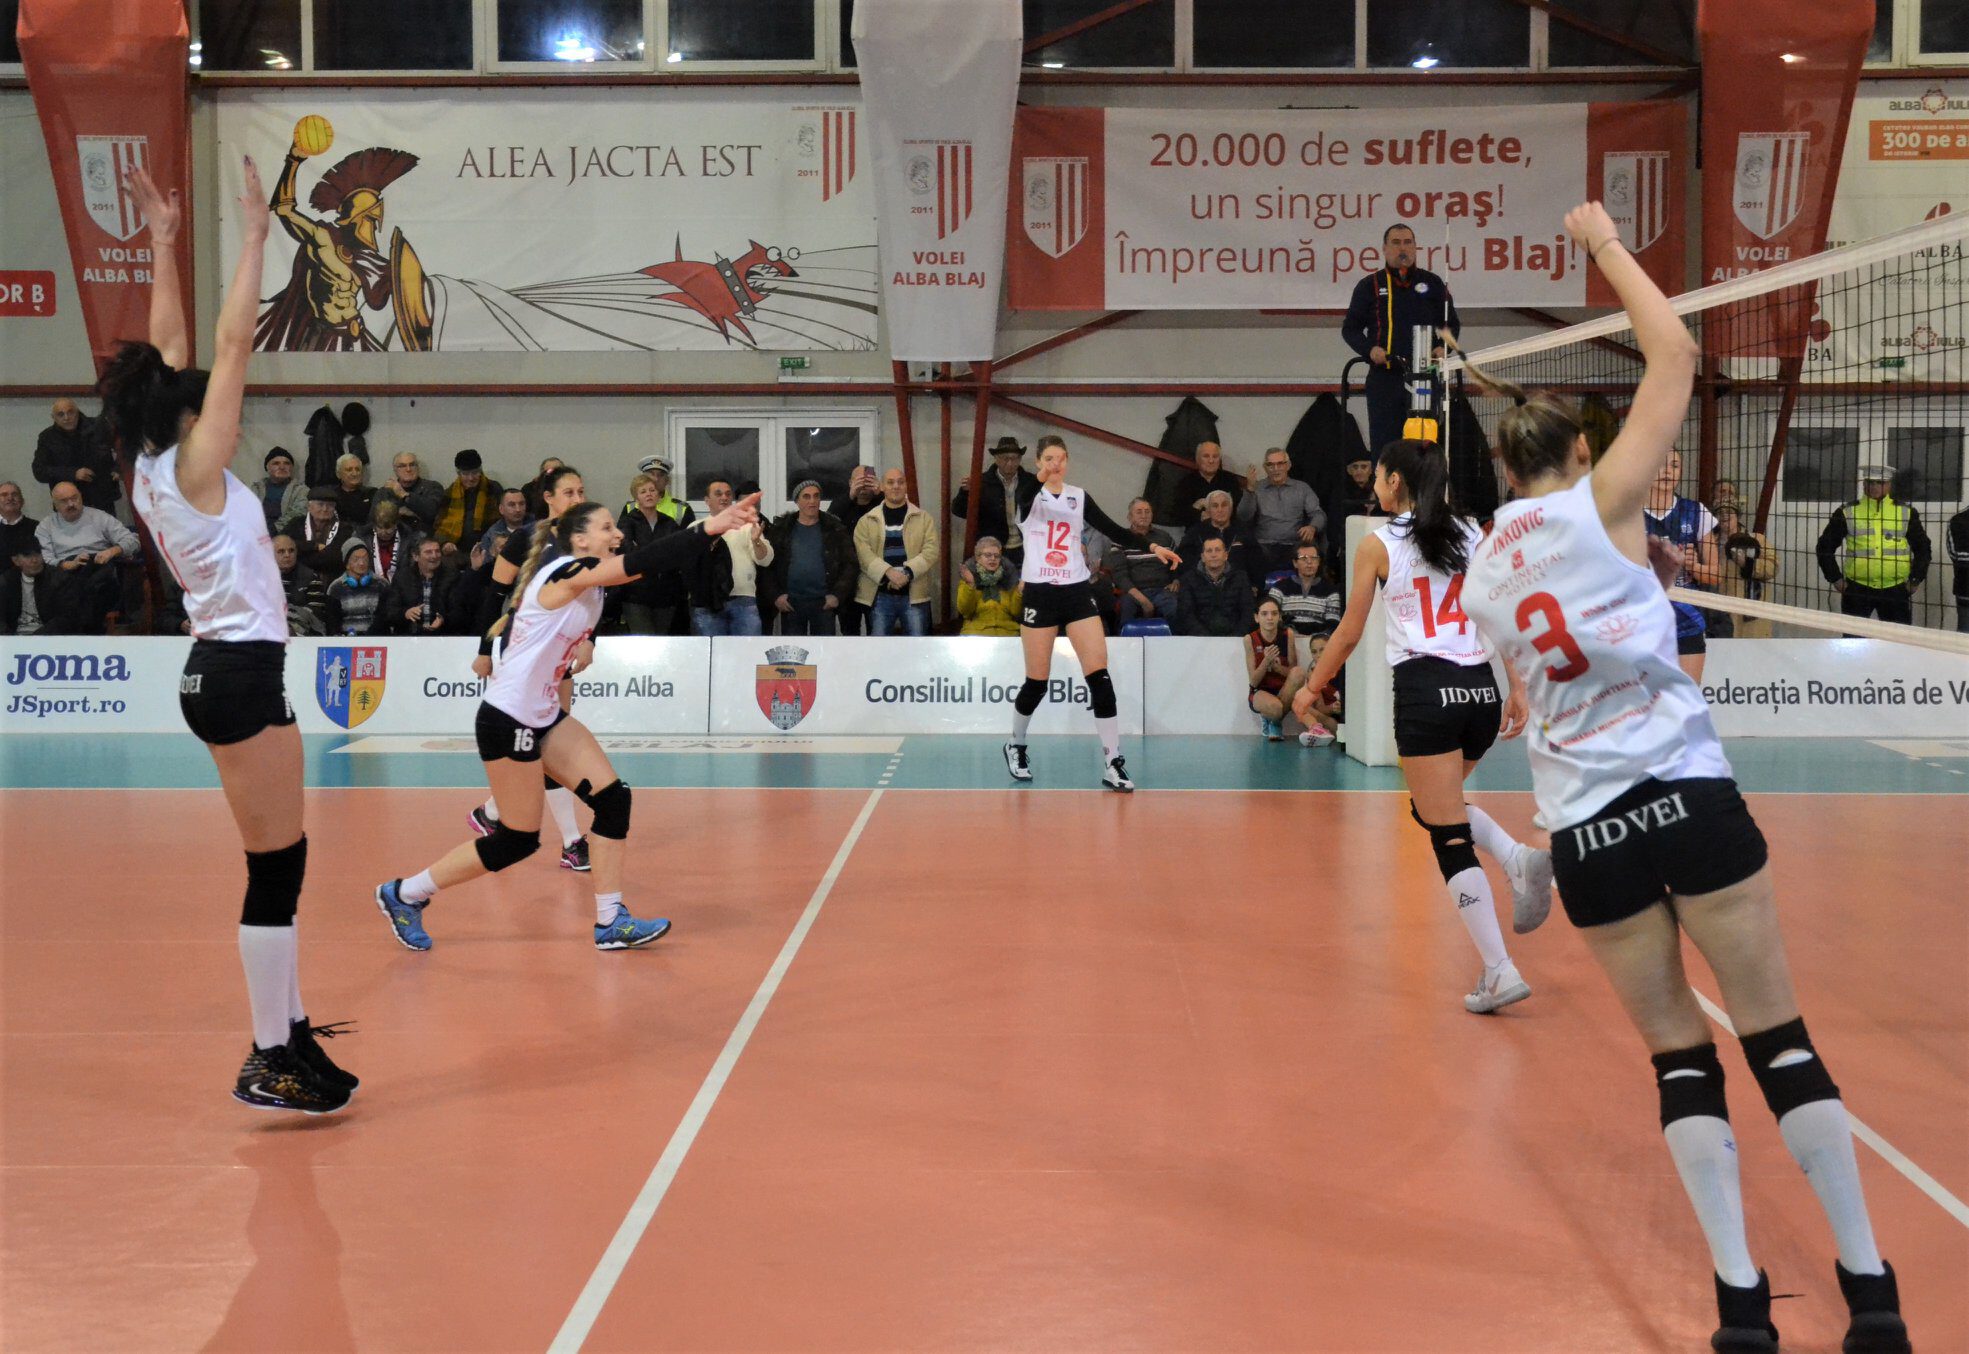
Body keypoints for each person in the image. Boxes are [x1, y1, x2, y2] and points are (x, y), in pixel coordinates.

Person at [1458, 202, 1909, 1353]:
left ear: (1501, 469)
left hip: (1587, 832)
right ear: (1576, 456)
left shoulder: (1480, 581)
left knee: (1679, 1061)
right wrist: (1603, 244)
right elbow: (1675, 351)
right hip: (1687, 795)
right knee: (1779, 1039)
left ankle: (1739, 1306)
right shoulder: (1602, 500)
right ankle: (1869, 1293)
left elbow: (1519, 689)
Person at [108, 158, 354, 1113]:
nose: (208, 394)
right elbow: (231, 341)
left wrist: (164, 243)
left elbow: (173, 347)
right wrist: (255, 237)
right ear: (185, 414)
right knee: (275, 869)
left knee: (281, 862)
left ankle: (290, 1030)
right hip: (237, 670)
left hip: (227, 669)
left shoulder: (146, 464)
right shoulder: (196, 466)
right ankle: (268, 1056)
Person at [375, 493, 759, 952]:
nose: (617, 534)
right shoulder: (565, 572)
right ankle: (405, 893)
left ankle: (610, 920)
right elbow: (644, 561)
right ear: (579, 540)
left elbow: (647, 565)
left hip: (544, 715)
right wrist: (711, 525)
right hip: (507, 719)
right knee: (517, 840)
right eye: (606, 528)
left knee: (613, 801)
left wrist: (709, 536)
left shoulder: (590, 579)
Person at [1296, 437, 1550, 1014]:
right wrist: (1516, 685)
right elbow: (1498, 613)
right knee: (1438, 809)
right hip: (1479, 692)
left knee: (1445, 832)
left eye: (1378, 476)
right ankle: (1516, 858)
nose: (1373, 485)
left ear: (1394, 482)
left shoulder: (1378, 543)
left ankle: (1500, 970)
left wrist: (1312, 687)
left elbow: (1349, 632)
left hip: (1426, 692)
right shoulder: (1472, 533)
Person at [1001, 435, 1181, 791]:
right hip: (1040, 593)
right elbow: (1025, 496)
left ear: (1068, 461)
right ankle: (1016, 744)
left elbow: (1114, 530)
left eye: (1061, 458)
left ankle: (1113, 762)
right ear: (1038, 462)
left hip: (1076, 591)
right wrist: (1042, 476)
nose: (1056, 464)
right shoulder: (1028, 495)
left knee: (1099, 676)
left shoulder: (1078, 496)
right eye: (1049, 459)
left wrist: (1152, 545)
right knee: (1037, 682)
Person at [470, 464, 598, 872]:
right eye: (569, 493)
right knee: (546, 742)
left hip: (560, 651)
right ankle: (572, 842)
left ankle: (492, 811)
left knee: (549, 741)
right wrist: (485, 649)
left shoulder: (586, 540)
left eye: (581, 492)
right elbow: (495, 594)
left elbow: (595, 596)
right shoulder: (528, 537)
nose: (578, 499)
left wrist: (590, 640)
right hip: (524, 650)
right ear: (549, 498)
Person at [1343, 222, 1461, 461]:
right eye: (1396, 243)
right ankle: (1385, 486)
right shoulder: (1369, 285)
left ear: (1416, 247)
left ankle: (1425, 486)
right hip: (1385, 379)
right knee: (1385, 447)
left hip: (1424, 377)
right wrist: (1369, 350)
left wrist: (1443, 347)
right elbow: (1350, 329)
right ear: (1384, 249)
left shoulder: (1433, 283)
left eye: (1407, 242)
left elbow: (1451, 325)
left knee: (1424, 446)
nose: (1402, 248)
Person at [1817, 465, 1930, 626]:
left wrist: (1916, 579)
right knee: (1854, 638)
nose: (1874, 486)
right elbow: (1824, 547)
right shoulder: (1847, 512)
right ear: (1864, 484)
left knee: (1897, 638)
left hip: (1896, 589)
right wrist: (1835, 579)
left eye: (1880, 482)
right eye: (1870, 482)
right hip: (1857, 589)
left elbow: (1923, 548)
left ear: (1889, 484)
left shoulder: (1906, 512)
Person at [1644, 449, 1724, 677]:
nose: (1668, 471)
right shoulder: (1628, 514)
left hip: (1686, 622)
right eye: (1661, 464)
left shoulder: (1696, 512)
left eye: (1675, 465)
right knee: (1645, 696)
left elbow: (1716, 576)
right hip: (1642, 623)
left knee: (1687, 695)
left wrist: (1693, 566)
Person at [35, 480, 141, 633]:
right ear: (55, 504)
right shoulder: (46, 526)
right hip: (64, 574)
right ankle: (85, 627)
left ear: (81, 497)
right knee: (63, 582)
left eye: (74, 498)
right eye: (64, 501)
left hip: (97, 569)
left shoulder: (99, 517)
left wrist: (113, 551)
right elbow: (43, 559)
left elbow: (133, 540)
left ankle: (63, 628)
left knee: (92, 575)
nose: (71, 504)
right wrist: (67, 565)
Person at [854, 468, 940, 637]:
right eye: (890, 482)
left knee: (916, 648)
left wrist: (907, 573)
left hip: (914, 595)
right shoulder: (866, 521)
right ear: (881, 487)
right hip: (880, 596)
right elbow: (863, 554)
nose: (896, 486)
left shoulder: (924, 518)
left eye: (900, 482)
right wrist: (888, 573)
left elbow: (931, 551)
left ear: (906, 486)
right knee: (879, 648)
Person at [763, 479, 856, 636]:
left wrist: (837, 595)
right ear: (797, 501)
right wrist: (776, 596)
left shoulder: (835, 528)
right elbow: (767, 565)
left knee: (824, 650)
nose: (812, 501)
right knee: (793, 650)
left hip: (824, 603)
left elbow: (850, 564)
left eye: (816, 496)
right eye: (806, 496)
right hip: (791, 603)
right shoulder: (782, 529)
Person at [690, 478, 774, 635]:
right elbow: (688, 567)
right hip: (707, 603)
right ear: (707, 500)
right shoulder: (696, 528)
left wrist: (756, 541)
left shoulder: (747, 526)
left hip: (743, 601)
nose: (724, 497)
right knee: (711, 651)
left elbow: (765, 560)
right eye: (718, 494)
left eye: (728, 494)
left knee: (747, 651)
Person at [950, 436, 1040, 570]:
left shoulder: (1031, 481)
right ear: (996, 459)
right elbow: (959, 511)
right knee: (991, 583)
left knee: (1022, 582)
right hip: (992, 549)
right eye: (1005, 458)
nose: (1010, 463)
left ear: (1020, 459)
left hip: (1024, 547)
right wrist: (965, 492)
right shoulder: (981, 482)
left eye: (1014, 458)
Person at [1236, 446, 1327, 577]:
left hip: (1294, 544)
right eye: (1271, 465)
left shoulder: (1302, 488)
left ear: (1288, 465)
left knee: (1310, 553)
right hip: (1264, 544)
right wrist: (1250, 490)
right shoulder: (1257, 488)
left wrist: (1312, 527)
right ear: (1265, 468)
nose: (1276, 469)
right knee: (1247, 553)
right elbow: (1243, 516)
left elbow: (1318, 514)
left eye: (1280, 464)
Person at [618, 475, 688, 635]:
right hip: (636, 594)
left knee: (661, 641)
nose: (648, 494)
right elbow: (628, 553)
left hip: (666, 594)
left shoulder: (669, 523)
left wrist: (645, 551)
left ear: (658, 495)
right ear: (636, 498)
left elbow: (677, 552)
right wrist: (659, 555)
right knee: (644, 640)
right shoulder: (628, 522)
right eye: (643, 491)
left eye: (652, 490)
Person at [32, 396, 119, 514]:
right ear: (53, 417)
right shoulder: (47, 438)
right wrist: (73, 473)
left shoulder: (98, 427)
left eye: (70, 412)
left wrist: (118, 468)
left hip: (102, 497)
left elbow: (124, 450)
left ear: (77, 412)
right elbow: (39, 471)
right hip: (68, 502)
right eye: (61, 414)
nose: (66, 418)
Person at [1104, 497, 1180, 627]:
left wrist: (1176, 580)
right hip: (1133, 592)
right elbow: (1119, 575)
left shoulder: (1165, 537)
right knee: (1126, 609)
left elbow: (1178, 563)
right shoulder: (1120, 539)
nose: (1144, 515)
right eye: (1139, 512)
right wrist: (1142, 600)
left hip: (1162, 591)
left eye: (1147, 511)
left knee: (1175, 608)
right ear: (1129, 517)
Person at [830, 465, 883, 634]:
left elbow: (896, 514)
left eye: (868, 480)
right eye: (859, 480)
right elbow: (828, 523)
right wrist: (850, 495)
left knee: (877, 631)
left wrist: (881, 493)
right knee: (849, 632)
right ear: (850, 483)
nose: (863, 485)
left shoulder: (882, 504)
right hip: (847, 581)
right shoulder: (841, 504)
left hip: (875, 578)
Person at [1245, 597, 1306, 741]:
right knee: (1275, 708)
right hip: (1260, 691)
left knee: (1299, 672)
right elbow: (1253, 681)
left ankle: (1274, 722)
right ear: (1256, 617)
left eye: (1274, 613)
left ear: (1279, 616)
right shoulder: (1250, 639)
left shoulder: (1288, 635)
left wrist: (1276, 667)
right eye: (1264, 614)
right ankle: (1272, 717)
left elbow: (1292, 672)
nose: (1269, 618)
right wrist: (1266, 661)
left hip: (1283, 690)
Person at [1714, 502, 1778, 640]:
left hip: (1750, 612)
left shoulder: (1757, 539)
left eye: (1729, 511)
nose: (1724, 515)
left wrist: (1747, 563)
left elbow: (1773, 567)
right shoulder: (1709, 542)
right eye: (1719, 512)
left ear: (1738, 516)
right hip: (1719, 609)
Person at [1173, 537, 1253, 637]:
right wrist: (1206, 638)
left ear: (1226, 555)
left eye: (1218, 550)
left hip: (1235, 638)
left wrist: (1236, 636)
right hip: (1200, 639)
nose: (1214, 555)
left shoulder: (1241, 577)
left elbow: (1248, 612)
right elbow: (1186, 614)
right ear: (1202, 557)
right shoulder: (1188, 579)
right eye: (1209, 551)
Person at [1176, 489, 1256, 582]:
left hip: (1237, 584)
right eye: (1215, 506)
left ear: (1231, 509)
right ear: (1208, 510)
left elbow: (1256, 561)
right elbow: (1182, 560)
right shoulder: (1195, 532)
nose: (1220, 510)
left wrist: (1255, 584)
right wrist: (1177, 579)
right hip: (1200, 584)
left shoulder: (1243, 532)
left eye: (1224, 505)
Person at [433, 449, 502, 553]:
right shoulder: (449, 493)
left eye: (475, 472)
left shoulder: (493, 488)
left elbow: (502, 521)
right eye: (465, 474)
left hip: (488, 546)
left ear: (480, 471)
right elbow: (440, 524)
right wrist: (445, 542)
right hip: (456, 548)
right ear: (458, 473)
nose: (471, 478)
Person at [1269, 542, 1342, 637]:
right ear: (1295, 563)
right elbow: (1271, 618)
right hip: (1287, 639)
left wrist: (1315, 639)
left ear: (1319, 562)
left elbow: (1333, 624)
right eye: (1304, 558)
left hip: (1319, 642)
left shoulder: (1331, 591)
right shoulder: (1279, 588)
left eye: (1314, 558)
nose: (1309, 562)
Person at [956, 536, 1022, 636]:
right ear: (978, 558)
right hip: (976, 633)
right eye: (988, 555)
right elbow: (965, 611)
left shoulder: (1010, 578)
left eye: (997, 556)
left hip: (1007, 633)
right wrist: (970, 584)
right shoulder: (969, 577)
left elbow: (1016, 612)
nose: (993, 559)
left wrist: (1020, 591)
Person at [1169, 440, 1245, 525]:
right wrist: (1197, 512)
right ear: (1198, 459)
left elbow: (1239, 511)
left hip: (1227, 529)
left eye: (1215, 456)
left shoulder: (1230, 479)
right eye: (1206, 456)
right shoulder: (1186, 482)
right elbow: (1177, 513)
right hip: (1197, 530)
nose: (1211, 461)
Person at [390, 537, 455, 636]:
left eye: (437, 551)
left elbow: (459, 611)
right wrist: (405, 613)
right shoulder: (402, 577)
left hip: (443, 637)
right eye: (428, 552)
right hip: (408, 637)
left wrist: (443, 619)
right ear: (415, 556)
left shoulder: (452, 576)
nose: (434, 556)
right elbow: (390, 611)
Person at [324, 539, 388, 636]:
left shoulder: (382, 584)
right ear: (347, 564)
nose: (362, 563)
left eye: (365, 559)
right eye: (356, 559)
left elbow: (385, 619)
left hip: (377, 640)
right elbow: (332, 625)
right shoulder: (335, 588)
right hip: (346, 640)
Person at [290, 484, 355, 576]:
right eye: (320, 504)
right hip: (297, 576)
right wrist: (314, 546)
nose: (325, 509)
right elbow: (287, 545)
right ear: (309, 507)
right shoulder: (296, 523)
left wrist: (302, 554)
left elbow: (335, 558)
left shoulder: (344, 529)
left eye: (330, 505)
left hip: (331, 576)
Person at [272, 533, 331, 636]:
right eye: (281, 551)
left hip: (304, 635)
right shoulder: (261, 580)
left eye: (291, 551)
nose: (287, 555)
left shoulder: (311, 577)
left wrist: (291, 626)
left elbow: (315, 616)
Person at [373, 451, 444, 529]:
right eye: (402, 466)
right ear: (395, 470)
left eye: (412, 465)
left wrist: (404, 495)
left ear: (418, 467)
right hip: (392, 534)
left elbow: (432, 513)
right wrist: (397, 512)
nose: (408, 469)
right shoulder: (384, 492)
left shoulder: (433, 487)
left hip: (423, 534)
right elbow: (373, 522)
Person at [619, 456, 695, 527]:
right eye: (651, 474)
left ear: (667, 480)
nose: (656, 479)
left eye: (661, 475)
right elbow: (620, 535)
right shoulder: (630, 508)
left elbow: (690, 536)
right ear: (643, 479)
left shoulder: (682, 509)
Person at [362, 497, 420, 586]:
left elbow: (412, 569)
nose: (383, 532)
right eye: (380, 527)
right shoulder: (363, 538)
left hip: (401, 587)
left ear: (396, 524)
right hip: (370, 586)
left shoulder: (408, 539)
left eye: (388, 528)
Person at [2, 547, 54, 635]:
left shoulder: (57, 579)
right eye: (27, 555)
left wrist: (36, 637)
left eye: (38, 554)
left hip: (49, 637)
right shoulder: (5, 582)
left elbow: (65, 617)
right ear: (15, 560)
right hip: (13, 638)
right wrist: (9, 638)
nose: (34, 560)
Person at [255, 448, 306, 534]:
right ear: (267, 467)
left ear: (291, 468)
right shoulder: (256, 489)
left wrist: (274, 529)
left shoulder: (301, 490)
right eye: (276, 463)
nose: (282, 467)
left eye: (287, 463)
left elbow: (298, 514)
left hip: (285, 533)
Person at [477, 487, 533, 562]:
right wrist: (493, 555)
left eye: (522, 504)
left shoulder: (538, 526)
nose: (518, 509)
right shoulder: (491, 534)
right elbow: (484, 565)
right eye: (512, 505)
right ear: (501, 509)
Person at [0, 480, 36, 566]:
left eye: (14, 494)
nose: (10, 498)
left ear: (22, 501)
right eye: (4, 495)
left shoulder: (36, 527)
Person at [522, 456, 566, 521]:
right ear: (541, 474)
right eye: (550, 471)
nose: (554, 475)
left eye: (558, 471)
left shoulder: (570, 488)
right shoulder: (529, 489)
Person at [1949, 501, 1969, 633]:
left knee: (1964, 636)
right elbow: (1957, 556)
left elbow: (1956, 555)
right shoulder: (1958, 520)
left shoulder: (1958, 519)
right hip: (1965, 591)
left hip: (1964, 588)